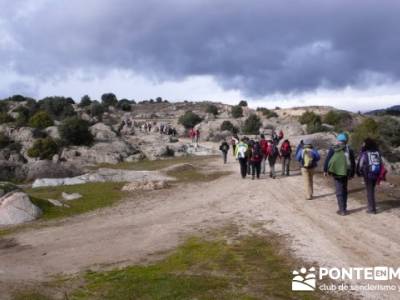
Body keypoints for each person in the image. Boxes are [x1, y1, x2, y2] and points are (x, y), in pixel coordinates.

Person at [324, 133, 356, 216]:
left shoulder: (333, 148)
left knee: (339, 190)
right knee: (344, 189)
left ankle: (342, 210)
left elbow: (328, 159)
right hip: (346, 172)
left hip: (336, 172)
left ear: (338, 140)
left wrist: (325, 170)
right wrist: (352, 173)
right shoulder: (349, 149)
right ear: (346, 141)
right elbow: (353, 162)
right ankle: (344, 208)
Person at [356, 138, 384, 214]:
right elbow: (381, 163)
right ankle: (372, 207)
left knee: (370, 191)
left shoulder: (365, 153)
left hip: (368, 174)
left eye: (364, 143)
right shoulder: (377, 152)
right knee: (371, 190)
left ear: (366, 144)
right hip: (376, 174)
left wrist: (359, 172)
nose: (363, 144)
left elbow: (361, 164)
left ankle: (371, 209)